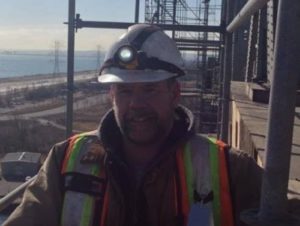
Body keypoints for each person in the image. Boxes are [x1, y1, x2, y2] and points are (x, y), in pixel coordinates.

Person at [4, 24, 262, 226]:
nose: (136, 104)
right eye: (125, 91)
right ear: (112, 96)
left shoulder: (231, 168)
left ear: (175, 93)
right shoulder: (65, 159)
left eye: (150, 89)